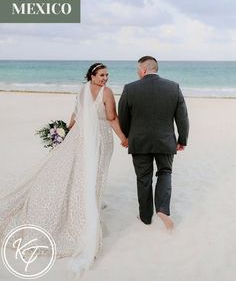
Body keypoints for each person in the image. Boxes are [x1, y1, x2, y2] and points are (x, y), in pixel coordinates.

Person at [0, 63, 128, 276]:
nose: (106, 78)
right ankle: (87, 210)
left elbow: (76, 114)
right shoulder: (106, 93)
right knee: (92, 172)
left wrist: (68, 131)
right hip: (98, 138)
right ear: (92, 75)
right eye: (102, 75)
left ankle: (85, 203)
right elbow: (112, 117)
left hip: (80, 136)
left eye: (107, 75)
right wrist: (123, 137)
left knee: (78, 171)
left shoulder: (83, 89)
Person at [118, 56, 189, 230]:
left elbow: (123, 117)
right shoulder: (173, 87)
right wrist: (182, 140)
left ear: (143, 70)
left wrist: (127, 136)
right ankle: (163, 209)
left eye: (138, 71)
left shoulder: (130, 88)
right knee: (165, 173)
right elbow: (183, 118)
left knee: (143, 178)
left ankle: (145, 217)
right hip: (165, 141)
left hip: (139, 141)